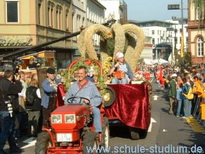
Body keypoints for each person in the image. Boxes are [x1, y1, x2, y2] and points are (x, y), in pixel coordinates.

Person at [64, 66, 102, 141]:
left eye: (81, 73)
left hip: (87, 107)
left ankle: (98, 132)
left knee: (96, 111)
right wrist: (68, 102)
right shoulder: (73, 86)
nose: (79, 75)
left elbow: (98, 98)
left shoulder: (91, 85)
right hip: (74, 107)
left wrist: (90, 101)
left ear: (86, 74)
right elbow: (67, 98)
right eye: (78, 73)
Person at [0, 70, 23, 154]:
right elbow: (18, 89)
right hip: (6, 109)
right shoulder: (6, 83)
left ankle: (13, 147)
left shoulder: (2, 81)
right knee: (6, 130)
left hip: (4, 108)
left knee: (11, 129)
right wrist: (17, 80)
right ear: (11, 76)